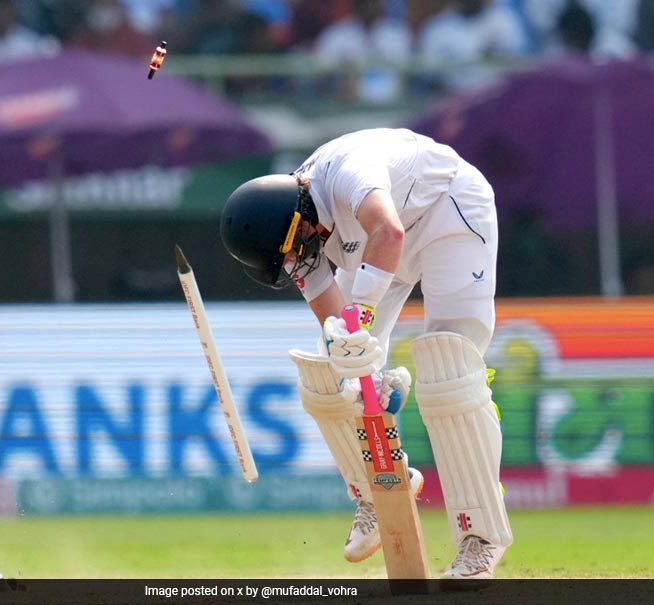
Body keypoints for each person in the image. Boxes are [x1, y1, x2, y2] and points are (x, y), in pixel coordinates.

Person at [220, 127, 513, 581]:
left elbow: (389, 232)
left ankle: (480, 537)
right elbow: (338, 329)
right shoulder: (296, 233)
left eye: (297, 248)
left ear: (300, 220)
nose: (300, 258)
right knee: (326, 370)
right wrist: (362, 370)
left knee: (450, 371)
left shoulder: (349, 174)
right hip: (377, 252)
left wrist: (361, 319)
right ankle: (378, 493)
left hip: (445, 213)